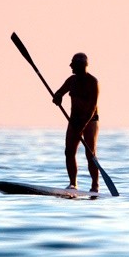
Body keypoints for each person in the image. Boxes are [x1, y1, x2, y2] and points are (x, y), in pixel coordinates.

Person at [51, 53, 100, 192]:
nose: (70, 66)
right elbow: (59, 92)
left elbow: (91, 108)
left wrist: (82, 125)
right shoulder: (71, 80)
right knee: (69, 151)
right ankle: (73, 183)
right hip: (74, 120)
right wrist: (58, 97)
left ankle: (95, 185)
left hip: (90, 120)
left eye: (73, 64)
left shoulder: (93, 82)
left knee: (90, 153)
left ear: (81, 66)